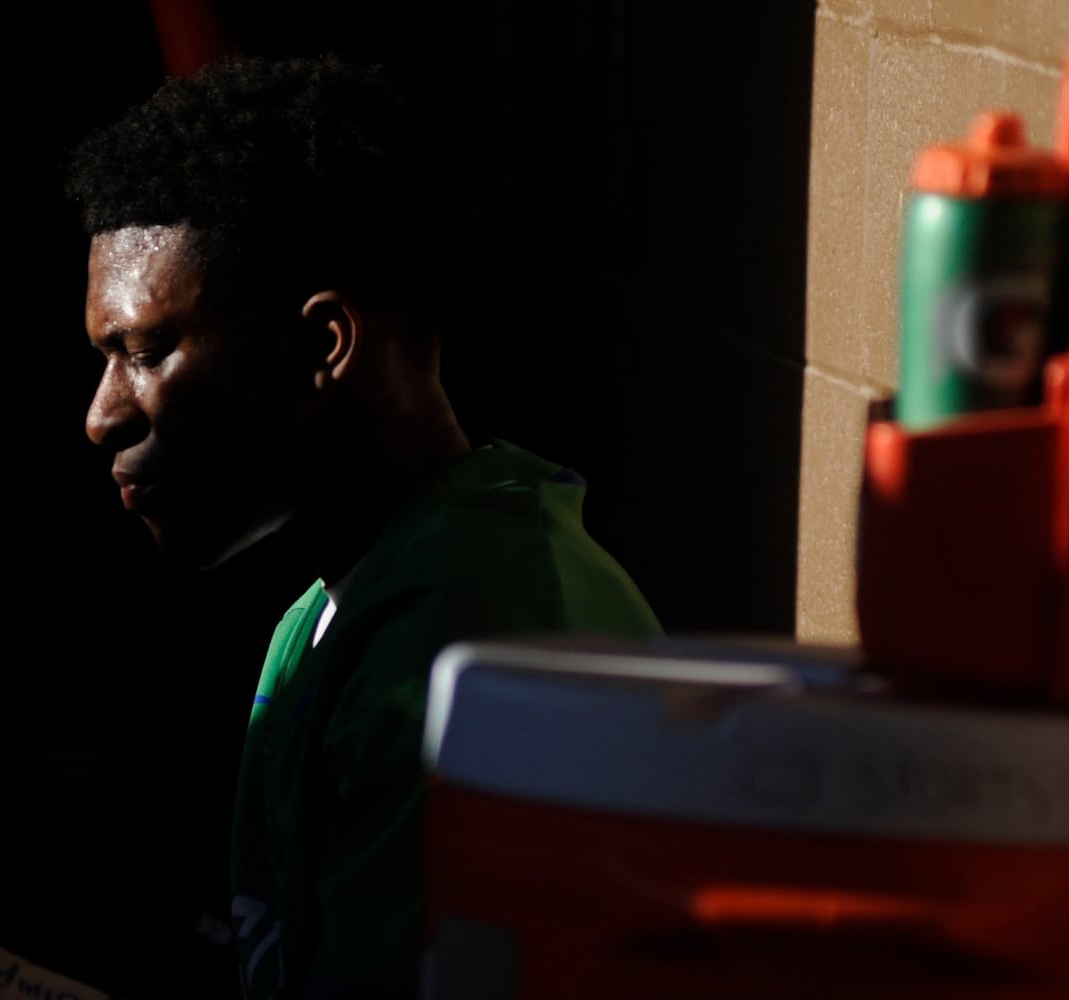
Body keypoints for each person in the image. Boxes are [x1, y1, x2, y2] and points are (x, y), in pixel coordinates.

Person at [58, 54, 659, 999]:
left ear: (322, 345)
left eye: (145, 351)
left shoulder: (466, 655)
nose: (102, 416)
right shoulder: (339, 608)